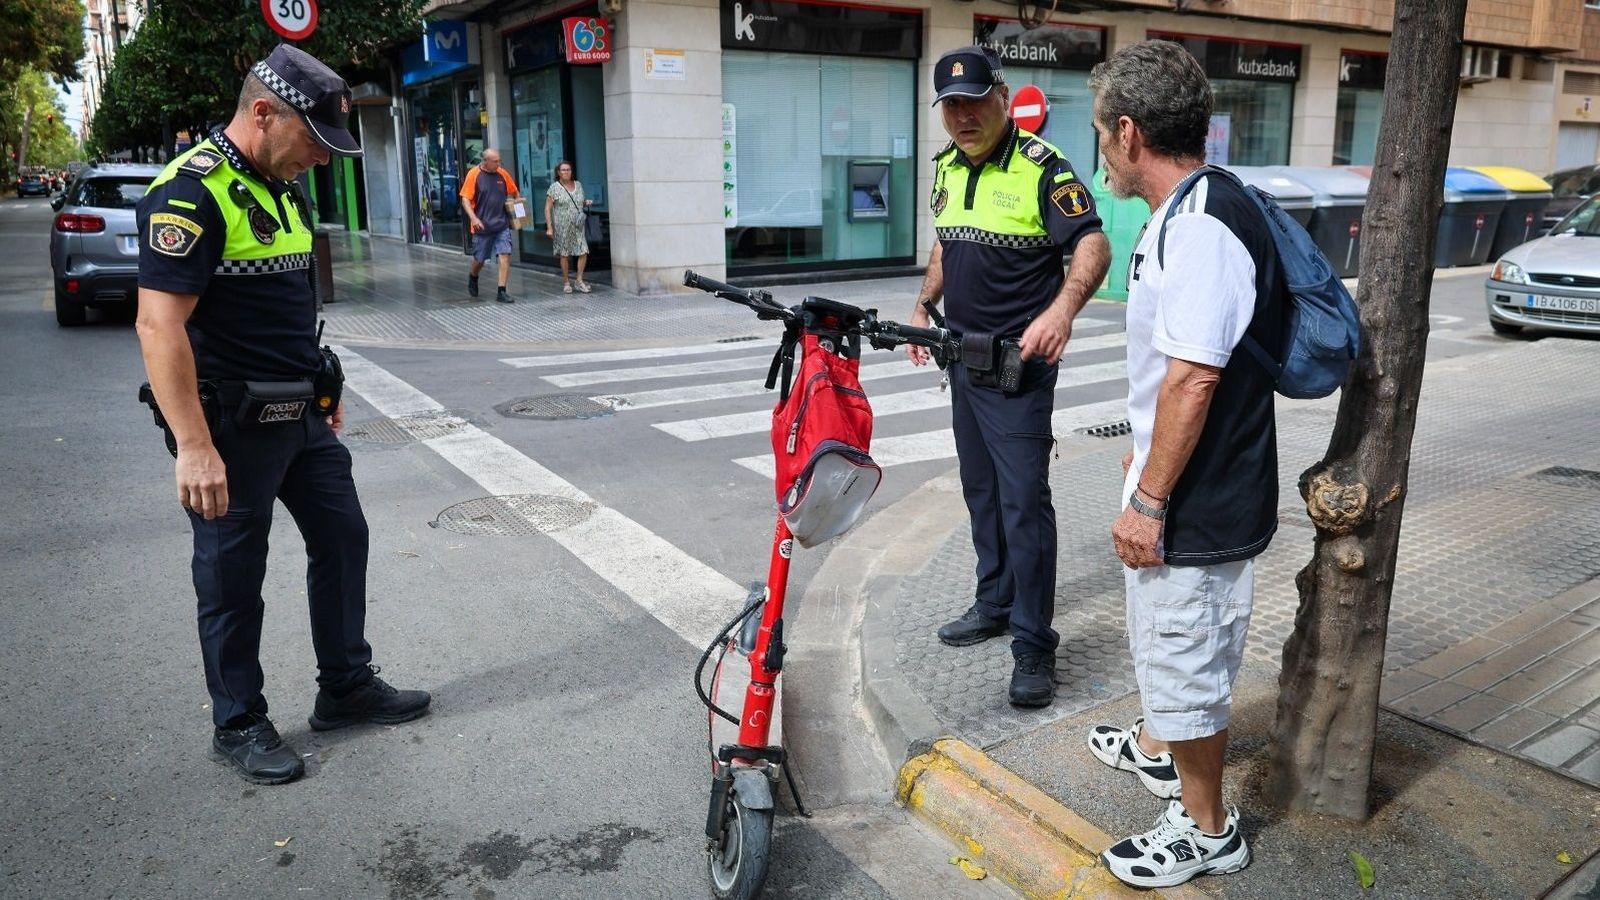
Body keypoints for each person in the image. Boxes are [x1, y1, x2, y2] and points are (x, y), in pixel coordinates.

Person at [134, 44, 431, 787]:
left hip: (301, 417)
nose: (322, 161)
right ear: (263, 113)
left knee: (343, 537)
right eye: (314, 142)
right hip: (230, 430)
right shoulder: (190, 192)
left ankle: (345, 687)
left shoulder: (280, 185)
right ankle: (237, 722)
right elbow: (158, 327)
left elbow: (287, 313)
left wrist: (322, 397)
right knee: (233, 575)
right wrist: (193, 446)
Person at [1083, 40, 1283, 887]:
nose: (1099, 152)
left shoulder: (1199, 226)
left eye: (1100, 134)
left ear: (1129, 134)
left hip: (1196, 505)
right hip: (1186, 483)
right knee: (1173, 653)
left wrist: (1151, 498)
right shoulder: (1199, 206)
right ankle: (1162, 751)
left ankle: (1208, 830)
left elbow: (1195, 376)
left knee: (1190, 660)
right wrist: (1144, 450)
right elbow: (1180, 374)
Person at [908, 46, 1110, 708]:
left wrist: (1061, 312)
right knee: (981, 492)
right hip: (961, 361)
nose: (963, 117)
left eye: (973, 102)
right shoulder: (945, 167)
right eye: (951, 107)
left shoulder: (1041, 168)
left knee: (1024, 503)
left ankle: (1033, 643)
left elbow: (1092, 244)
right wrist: (923, 304)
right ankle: (993, 602)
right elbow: (948, 241)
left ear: (1000, 98)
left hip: (1018, 367)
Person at [459, 148, 520, 303]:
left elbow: (515, 193)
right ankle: (473, 275)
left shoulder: (502, 173)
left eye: (499, 160)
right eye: (495, 161)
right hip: (482, 226)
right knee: (479, 259)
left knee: (504, 255)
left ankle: (502, 291)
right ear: (485, 161)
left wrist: (517, 205)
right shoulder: (474, 174)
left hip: (501, 224)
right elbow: (465, 199)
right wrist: (473, 218)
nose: (498, 164)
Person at [543, 159, 593, 293]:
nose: (566, 172)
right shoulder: (554, 187)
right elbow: (547, 209)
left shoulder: (578, 184)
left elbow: (579, 202)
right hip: (562, 227)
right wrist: (549, 227)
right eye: (563, 170)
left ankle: (579, 280)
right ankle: (566, 282)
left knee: (583, 251)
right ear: (558, 172)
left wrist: (585, 202)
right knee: (564, 254)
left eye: (568, 169)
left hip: (578, 226)